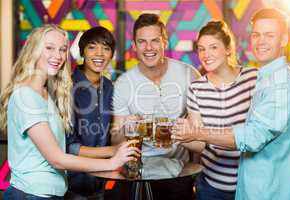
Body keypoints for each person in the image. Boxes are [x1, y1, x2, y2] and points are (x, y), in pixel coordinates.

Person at [172, 8, 290, 200]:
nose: (261, 41)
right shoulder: (267, 79)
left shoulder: (272, 82)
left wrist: (197, 132)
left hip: (268, 190)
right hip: (226, 184)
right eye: (256, 34)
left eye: (269, 35)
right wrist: (181, 135)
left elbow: (252, 137)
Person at [0, 24, 139, 200]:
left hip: (61, 190)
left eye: (62, 50)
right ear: (33, 50)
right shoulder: (28, 95)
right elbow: (58, 156)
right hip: (34, 193)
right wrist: (113, 157)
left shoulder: (46, 93)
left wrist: (125, 127)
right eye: (49, 48)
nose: (57, 55)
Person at [111, 13, 200, 200]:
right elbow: (115, 139)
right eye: (142, 41)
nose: (149, 47)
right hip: (138, 175)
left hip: (179, 173)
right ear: (134, 45)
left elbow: (200, 136)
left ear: (165, 42)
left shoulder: (189, 75)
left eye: (155, 41)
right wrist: (127, 129)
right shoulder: (123, 83)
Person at [179, 20, 257, 200]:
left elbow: (258, 134)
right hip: (211, 187)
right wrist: (178, 137)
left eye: (213, 47)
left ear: (228, 49)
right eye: (201, 49)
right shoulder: (196, 89)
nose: (206, 54)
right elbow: (199, 143)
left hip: (251, 185)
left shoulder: (252, 79)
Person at [65, 26, 117, 199]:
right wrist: (113, 151)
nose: (99, 54)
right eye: (92, 47)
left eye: (106, 48)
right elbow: (68, 146)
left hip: (101, 184)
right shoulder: (66, 88)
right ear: (82, 51)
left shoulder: (110, 87)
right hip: (71, 186)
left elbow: (112, 130)